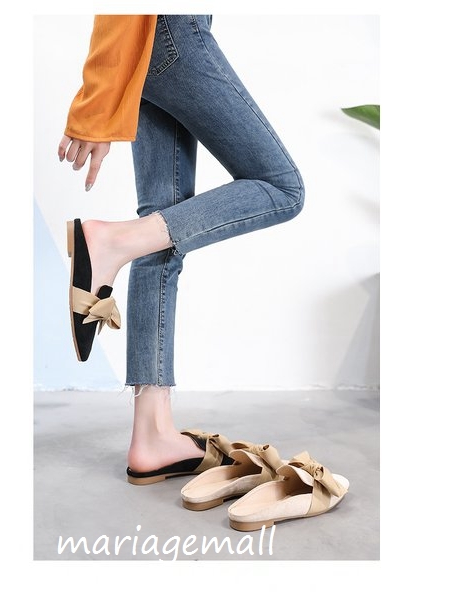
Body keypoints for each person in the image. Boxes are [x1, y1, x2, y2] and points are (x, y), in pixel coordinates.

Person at [58, 15, 305, 484]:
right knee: (283, 188)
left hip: (150, 44)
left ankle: (151, 435)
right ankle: (112, 242)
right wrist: (95, 105)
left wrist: (103, 97)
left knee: (162, 225)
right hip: (171, 32)